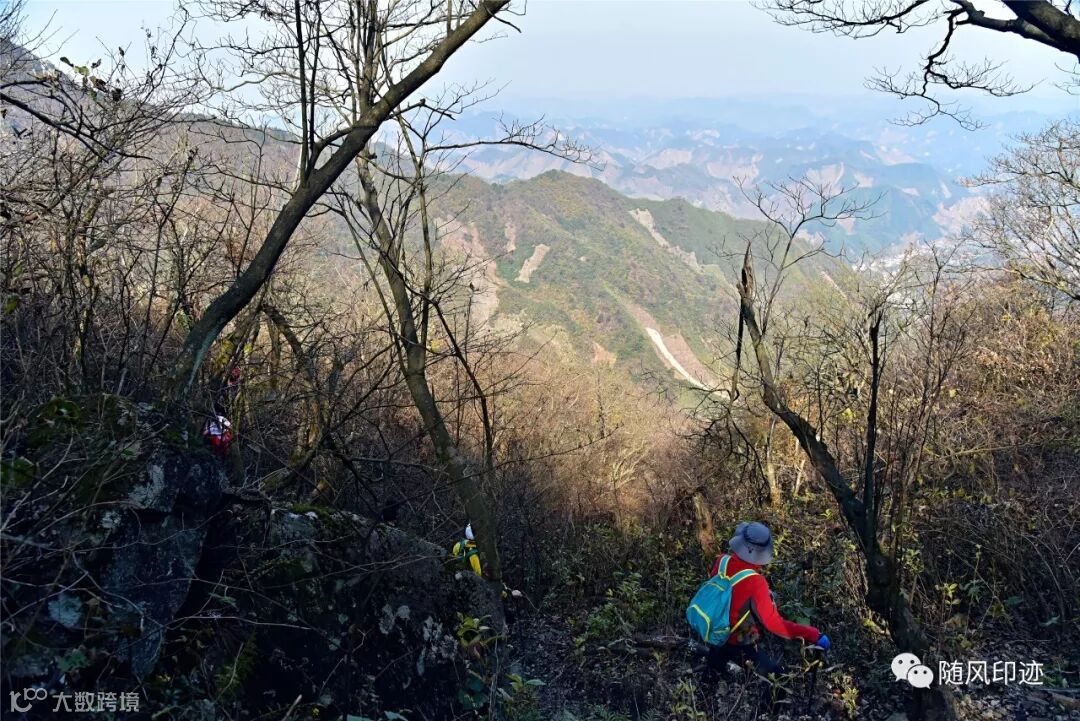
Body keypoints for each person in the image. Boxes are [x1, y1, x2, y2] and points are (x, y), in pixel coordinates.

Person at [706, 521, 830, 677]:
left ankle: (710, 678)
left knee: (712, 672)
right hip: (737, 640)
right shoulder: (756, 582)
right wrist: (813, 634)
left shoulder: (722, 561)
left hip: (713, 629)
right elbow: (774, 624)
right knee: (777, 677)